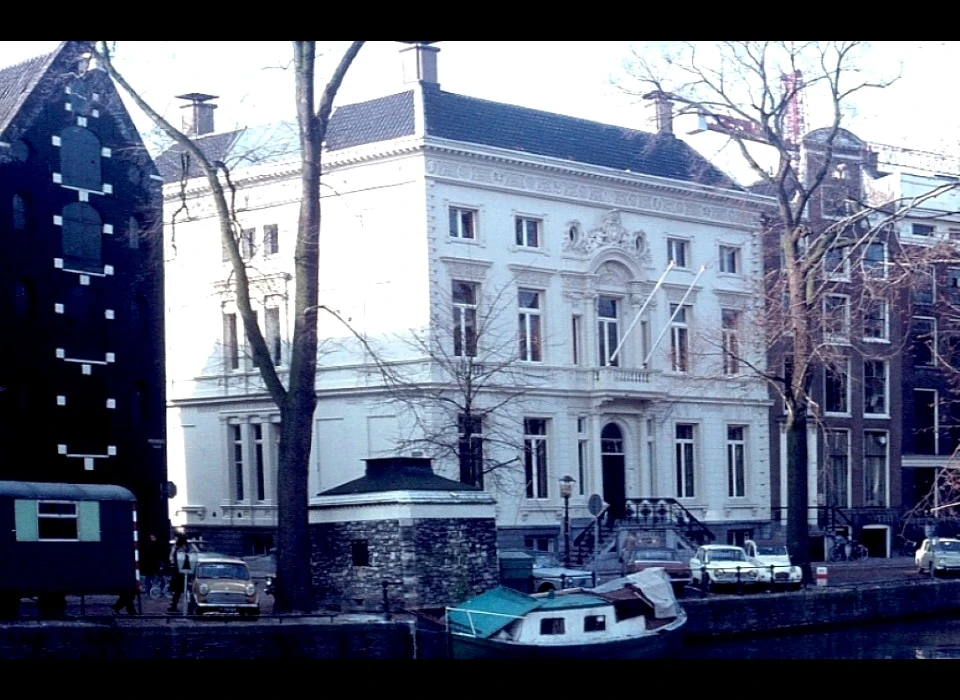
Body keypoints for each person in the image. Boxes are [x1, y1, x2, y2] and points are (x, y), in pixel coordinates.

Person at [168, 533, 190, 613]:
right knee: (178, 590)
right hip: (179, 572)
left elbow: (171, 558)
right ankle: (173, 606)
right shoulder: (180, 549)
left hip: (179, 571)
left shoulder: (178, 548)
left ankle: (173, 606)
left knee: (178, 591)